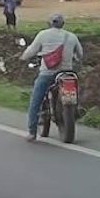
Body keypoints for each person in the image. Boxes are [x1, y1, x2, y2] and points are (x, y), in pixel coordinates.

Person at [20, 13, 83, 142]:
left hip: (48, 73)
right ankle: (78, 109)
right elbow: (80, 55)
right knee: (77, 92)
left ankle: (32, 132)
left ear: (49, 23)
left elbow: (31, 51)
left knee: (35, 99)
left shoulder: (43, 34)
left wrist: (23, 57)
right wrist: (73, 58)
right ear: (63, 24)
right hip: (67, 73)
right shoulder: (71, 36)